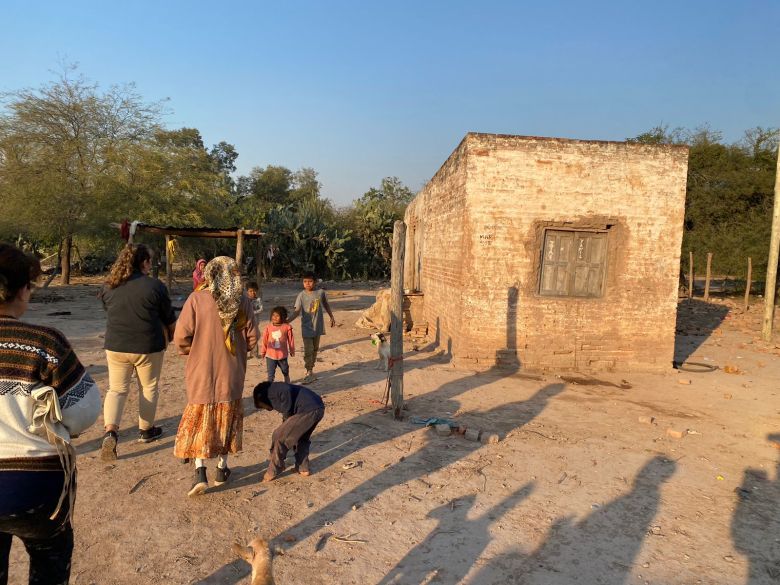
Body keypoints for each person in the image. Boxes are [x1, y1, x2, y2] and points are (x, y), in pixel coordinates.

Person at [0, 243, 101, 585]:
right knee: (49, 562)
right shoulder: (44, 343)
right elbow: (85, 411)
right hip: (35, 489)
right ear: (24, 289)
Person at [173, 257, 258, 497]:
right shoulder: (243, 301)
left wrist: (194, 350)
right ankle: (222, 469)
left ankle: (200, 471)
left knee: (202, 420)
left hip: (201, 371)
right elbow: (252, 338)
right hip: (231, 373)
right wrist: (239, 353)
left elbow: (181, 336)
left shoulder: (197, 299)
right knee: (226, 418)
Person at [99, 244, 176, 461]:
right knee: (148, 387)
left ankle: (111, 431)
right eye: (149, 261)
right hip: (148, 346)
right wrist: (172, 337)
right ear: (143, 262)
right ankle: (146, 430)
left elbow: (110, 310)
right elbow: (170, 319)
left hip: (115, 345)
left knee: (116, 390)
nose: (150, 265)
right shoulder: (155, 287)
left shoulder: (109, 286)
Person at [252, 381, 324, 482]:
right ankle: (303, 468)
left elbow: (286, 391)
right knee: (301, 438)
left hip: (308, 410)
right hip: (318, 408)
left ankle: (275, 469)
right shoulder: (274, 389)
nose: (267, 409)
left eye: (263, 406)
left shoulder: (271, 391)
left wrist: (287, 414)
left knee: (279, 436)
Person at [288, 272, 336, 383]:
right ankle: (308, 370)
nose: (307, 284)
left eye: (310, 281)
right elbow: (296, 311)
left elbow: (326, 304)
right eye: (305, 281)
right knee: (308, 350)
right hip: (306, 327)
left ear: (314, 282)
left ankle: (311, 368)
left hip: (318, 326)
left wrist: (331, 316)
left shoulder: (320, 293)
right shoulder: (301, 295)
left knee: (314, 349)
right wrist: (286, 321)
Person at [260, 307, 295, 383]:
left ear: (282, 317)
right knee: (270, 374)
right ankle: (270, 386)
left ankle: (286, 378)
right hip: (270, 355)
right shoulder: (268, 327)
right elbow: (264, 341)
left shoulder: (287, 327)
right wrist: (263, 352)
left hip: (282, 355)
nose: (274, 317)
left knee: (285, 369)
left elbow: (291, 340)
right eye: (273, 315)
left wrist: (292, 350)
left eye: (277, 316)